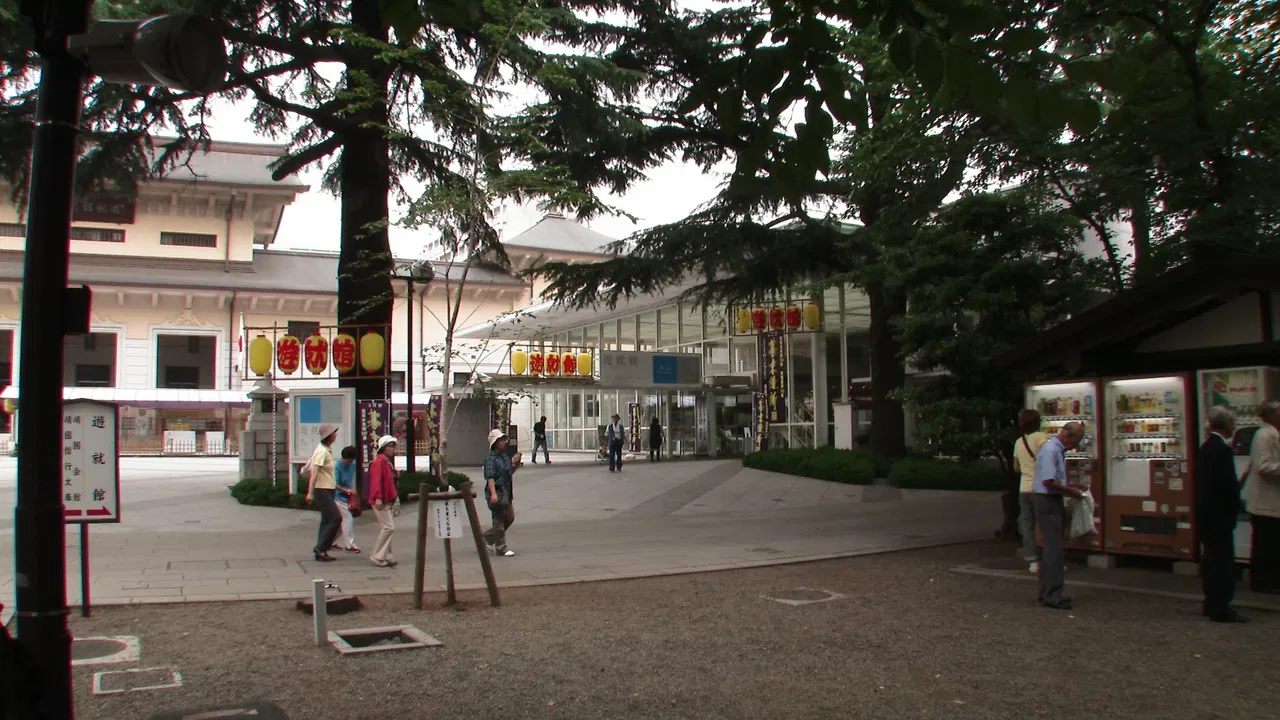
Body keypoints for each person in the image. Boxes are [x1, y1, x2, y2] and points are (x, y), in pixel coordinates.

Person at [1197, 406, 1247, 622]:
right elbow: (1227, 486)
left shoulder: (1207, 446)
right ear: (1226, 423)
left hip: (1207, 514)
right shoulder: (1221, 449)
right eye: (1232, 421)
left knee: (1211, 561)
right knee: (1222, 563)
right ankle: (1221, 607)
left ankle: (1211, 603)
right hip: (1220, 515)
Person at [1032, 421, 1086, 610]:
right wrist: (1071, 492)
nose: (1075, 446)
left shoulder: (1054, 450)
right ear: (1068, 435)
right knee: (1053, 549)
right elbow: (1048, 481)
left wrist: (1072, 486)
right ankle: (1052, 594)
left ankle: (1047, 591)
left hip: (1049, 500)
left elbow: (1053, 479)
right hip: (1048, 500)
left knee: (1051, 548)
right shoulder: (1051, 450)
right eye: (1075, 441)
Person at [1245, 400, 1280, 594]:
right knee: (1265, 544)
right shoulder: (1264, 435)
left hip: (1270, 501)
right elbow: (1263, 466)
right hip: (1265, 501)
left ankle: (1270, 580)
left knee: (1271, 543)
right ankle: (1263, 581)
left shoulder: (1271, 434)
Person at [1012, 409, 1049, 574]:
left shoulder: (1018, 441)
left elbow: (1016, 468)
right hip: (1040, 488)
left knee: (1027, 525)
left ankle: (1033, 561)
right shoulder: (1041, 437)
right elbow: (1047, 460)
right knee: (1046, 524)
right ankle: (1050, 559)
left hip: (1024, 488)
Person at [305, 423, 343, 562]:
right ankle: (321, 547)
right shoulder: (321, 451)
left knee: (326, 520)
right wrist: (310, 493)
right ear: (329, 436)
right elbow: (314, 474)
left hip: (328, 489)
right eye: (334, 433)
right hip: (322, 490)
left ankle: (321, 550)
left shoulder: (327, 450)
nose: (336, 435)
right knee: (335, 518)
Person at [483, 429, 522, 556]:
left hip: (506, 491)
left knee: (509, 517)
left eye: (504, 440)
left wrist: (515, 463)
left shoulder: (504, 456)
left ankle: (487, 538)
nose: (503, 442)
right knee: (499, 520)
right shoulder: (490, 458)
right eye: (500, 440)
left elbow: (509, 471)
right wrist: (493, 493)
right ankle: (501, 547)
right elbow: (490, 477)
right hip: (497, 491)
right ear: (494, 442)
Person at [367, 435, 399, 567]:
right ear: (383, 448)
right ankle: (377, 555)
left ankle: (387, 555)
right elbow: (376, 481)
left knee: (387, 527)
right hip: (381, 500)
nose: (392, 449)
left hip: (387, 500)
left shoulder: (385, 461)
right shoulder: (379, 462)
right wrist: (378, 497)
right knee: (388, 527)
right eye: (389, 446)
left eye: (393, 447)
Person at [334, 445, 361, 554]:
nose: (348, 462)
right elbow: (334, 484)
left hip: (347, 497)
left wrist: (352, 491)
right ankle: (350, 544)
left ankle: (330, 541)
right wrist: (346, 490)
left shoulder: (352, 465)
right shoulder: (337, 466)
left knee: (340, 521)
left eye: (350, 460)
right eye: (347, 460)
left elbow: (351, 480)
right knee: (348, 518)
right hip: (337, 496)